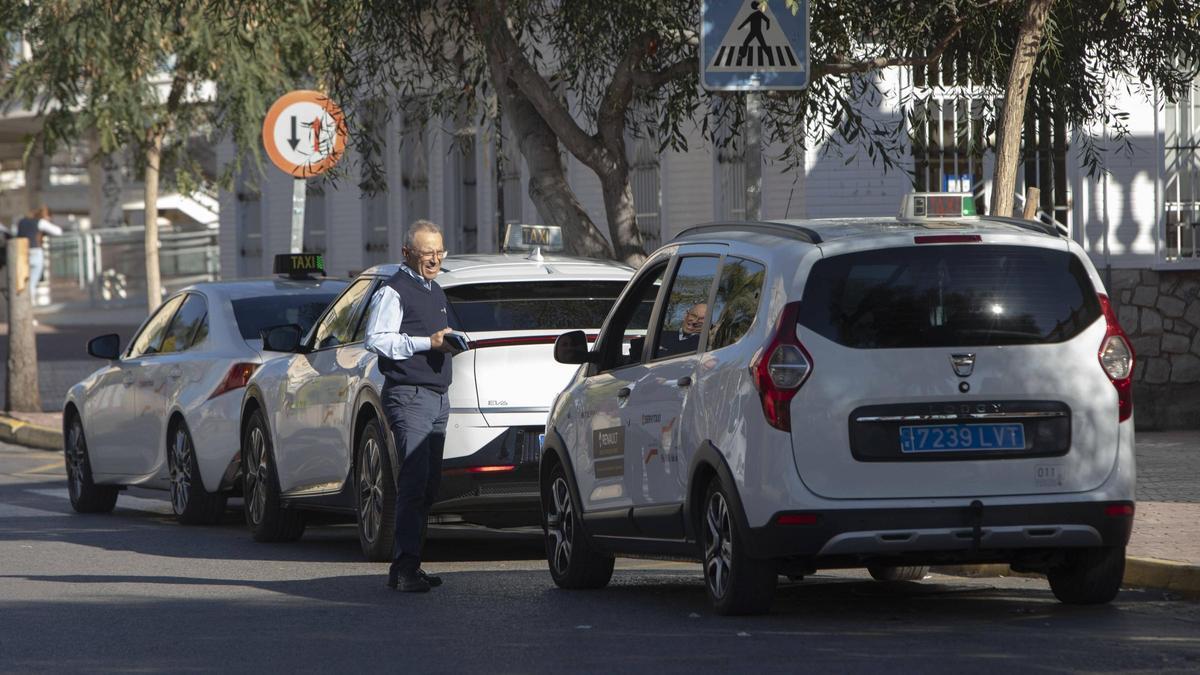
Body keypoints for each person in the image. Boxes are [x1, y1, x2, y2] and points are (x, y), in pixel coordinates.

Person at [363, 219, 456, 593]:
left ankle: (410, 564)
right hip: (409, 395)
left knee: (429, 484)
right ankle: (404, 569)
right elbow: (377, 340)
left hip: (437, 396)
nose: (434, 259)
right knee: (414, 481)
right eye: (426, 253)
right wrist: (426, 343)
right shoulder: (394, 291)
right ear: (407, 254)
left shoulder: (434, 289)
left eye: (439, 252)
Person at [15, 205, 63, 292]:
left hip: (21, 253)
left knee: (23, 283)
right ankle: (30, 302)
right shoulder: (40, 222)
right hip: (35, 252)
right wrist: (47, 222)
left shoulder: (21, 221)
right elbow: (58, 232)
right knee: (32, 283)